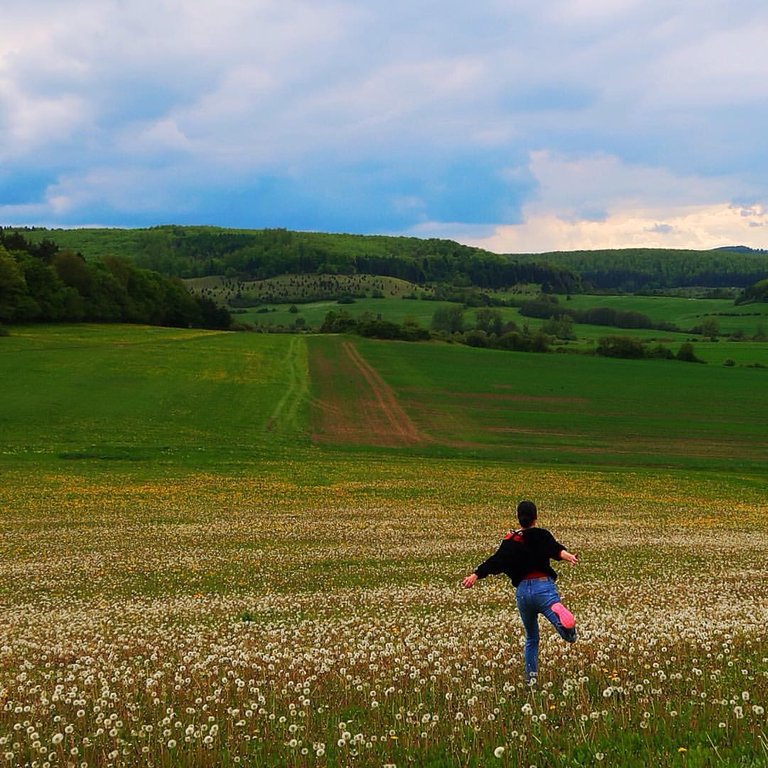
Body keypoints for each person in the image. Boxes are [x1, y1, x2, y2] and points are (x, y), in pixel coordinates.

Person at [462, 500, 578, 682]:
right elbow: (554, 549)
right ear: (536, 518)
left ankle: (530, 680)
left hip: (523, 593)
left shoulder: (510, 540)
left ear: (518, 518)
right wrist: (567, 556)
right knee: (568, 635)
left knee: (532, 637)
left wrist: (476, 575)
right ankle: (563, 620)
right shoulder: (541, 535)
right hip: (544, 589)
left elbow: (496, 561)